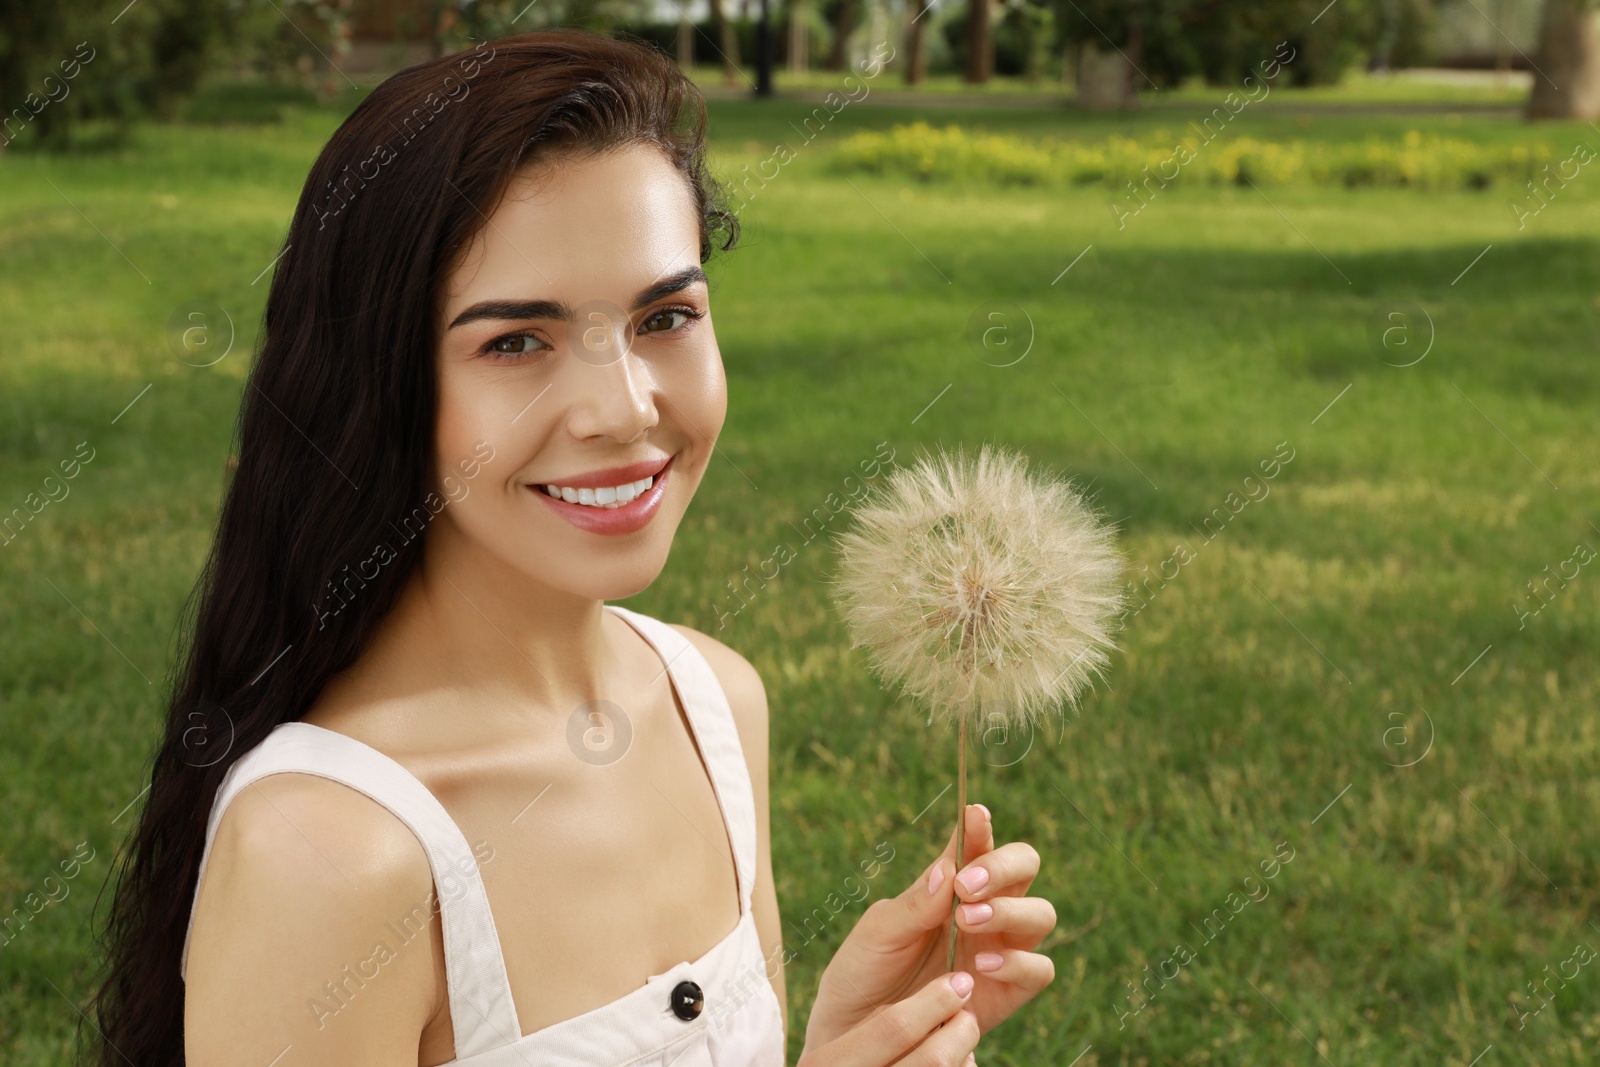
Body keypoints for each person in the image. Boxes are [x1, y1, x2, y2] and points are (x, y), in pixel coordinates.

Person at [90, 28, 1057, 1067]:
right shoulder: (330, 855)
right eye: (516, 341)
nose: (622, 406)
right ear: (380, 387)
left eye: (666, 315)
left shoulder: (715, 709)